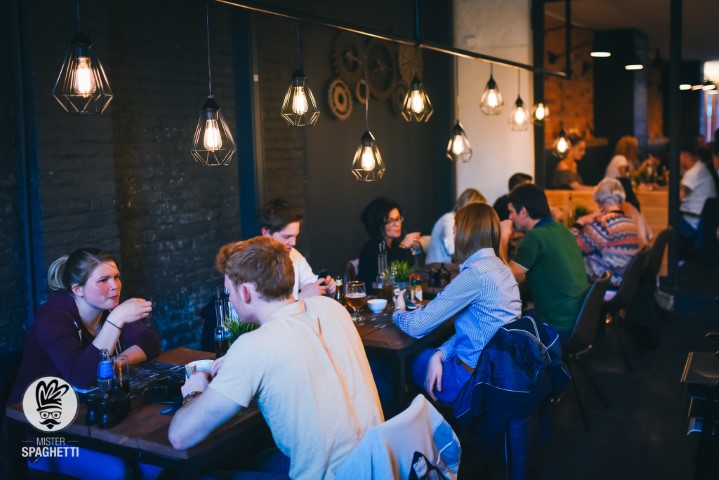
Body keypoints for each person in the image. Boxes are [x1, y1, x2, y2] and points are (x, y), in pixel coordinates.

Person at [168, 237, 383, 479]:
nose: (230, 299)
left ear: (245, 292)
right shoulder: (332, 308)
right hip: (376, 465)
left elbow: (180, 437)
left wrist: (194, 393)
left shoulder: (254, 346)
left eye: (230, 292)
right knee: (262, 458)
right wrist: (240, 362)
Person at [9, 247, 162, 480]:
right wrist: (116, 321)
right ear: (77, 289)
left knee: (152, 463)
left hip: (86, 417)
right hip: (40, 435)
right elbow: (81, 376)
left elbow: (149, 341)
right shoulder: (53, 318)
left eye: (116, 277)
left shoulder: (106, 309)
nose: (115, 286)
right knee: (115, 472)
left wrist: (112, 363)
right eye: (103, 280)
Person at [393, 203, 521, 404]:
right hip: (502, 375)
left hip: (473, 382)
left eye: (455, 230)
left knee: (405, 362)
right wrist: (441, 353)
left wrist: (398, 311)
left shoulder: (475, 275)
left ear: (465, 234)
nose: (453, 234)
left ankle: (414, 420)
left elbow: (417, 326)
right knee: (430, 353)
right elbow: (477, 333)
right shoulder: (503, 269)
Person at [500, 184, 589, 338]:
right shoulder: (562, 229)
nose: (510, 217)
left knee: (501, 330)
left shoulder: (534, 237)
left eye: (511, 211)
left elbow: (503, 281)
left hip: (556, 327)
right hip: (579, 321)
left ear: (523, 212)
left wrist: (503, 238)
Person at [258, 198, 336, 299]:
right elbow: (264, 307)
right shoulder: (251, 263)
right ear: (266, 233)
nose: (293, 243)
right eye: (286, 237)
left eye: (295, 236)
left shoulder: (293, 255)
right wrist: (301, 297)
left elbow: (311, 284)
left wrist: (326, 288)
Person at [570, 178, 641, 288]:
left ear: (600, 200)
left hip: (604, 285)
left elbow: (571, 248)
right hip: (623, 283)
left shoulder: (603, 224)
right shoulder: (629, 222)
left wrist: (579, 222)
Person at [357, 198, 421, 287]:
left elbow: (406, 271)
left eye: (398, 218)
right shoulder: (372, 248)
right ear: (379, 225)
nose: (397, 224)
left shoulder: (394, 245)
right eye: (390, 221)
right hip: (374, 294)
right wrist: (403, 246)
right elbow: (386, 273)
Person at [425, 188, 486, 264]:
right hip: (437, 268)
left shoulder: (464, 223)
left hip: (450, 266)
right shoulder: (449, 220)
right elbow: (453, 250)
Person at [679, 139, 717, 238]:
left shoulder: (693, 173)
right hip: (703, 221)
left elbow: (680, 196)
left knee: (665, 224)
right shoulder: (701, 167)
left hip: (691, 223)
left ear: (684, 155)